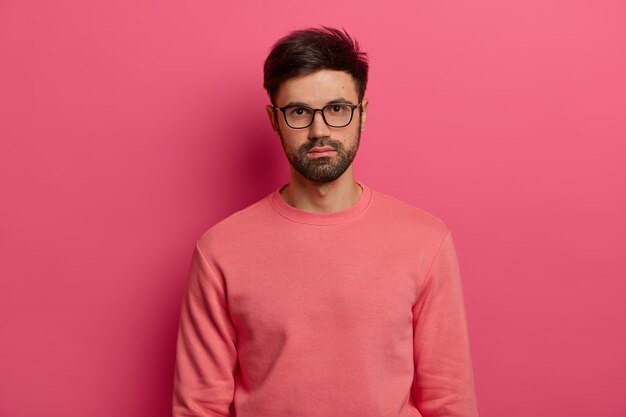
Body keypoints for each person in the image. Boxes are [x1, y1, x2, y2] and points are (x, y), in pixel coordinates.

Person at [172, 26, 479, 417]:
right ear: (274, 120)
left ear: (362, 114)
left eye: (337, 109)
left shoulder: (425, 241)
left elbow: (449, 400)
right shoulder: (220, 250)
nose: (320, 131)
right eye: (299, 111)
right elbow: (199, 406)